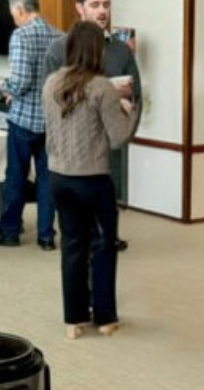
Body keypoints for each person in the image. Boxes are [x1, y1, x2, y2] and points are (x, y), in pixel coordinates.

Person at [42, 22, 138, 340]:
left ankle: (74, 320)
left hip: (58, 177)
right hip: (93, 179)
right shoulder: (101, 87)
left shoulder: (52, 83)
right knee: (103, 246)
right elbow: (118, 136)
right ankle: (106, 318)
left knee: (72, 246)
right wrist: (131, 109)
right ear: (99, 50)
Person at [48, 0, 139, 252]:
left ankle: (106, 237)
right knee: (77, 239)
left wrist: (126, 113)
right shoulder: (58, 49)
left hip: (111, 144)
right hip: (72, 154)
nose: (102, 11)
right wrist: (108, 91)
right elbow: (54, 100)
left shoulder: (122, 50)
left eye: (106, 5)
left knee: (104, 229)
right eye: (95, 4)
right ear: (79, 8)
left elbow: (136, 94)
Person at [0, 0, 60, 250]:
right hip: (52, 119)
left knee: (15, 176)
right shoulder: (59, 35)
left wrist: (0, 86)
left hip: (25, 119)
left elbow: (22, 81)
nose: (13, 18)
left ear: (20, 10)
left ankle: (10, 232)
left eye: (13, 13)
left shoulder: (21, 35)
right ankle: (46, 236)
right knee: (48, 180)